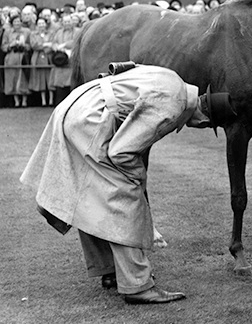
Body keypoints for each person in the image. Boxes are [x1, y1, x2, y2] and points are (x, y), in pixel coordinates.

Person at [20, 64, 235, 303]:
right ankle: (137, 285)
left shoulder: (174, 80)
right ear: (204, 120)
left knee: (94, 191)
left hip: (79, 103)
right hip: (88, 118)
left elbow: (122, 67)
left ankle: (110, 269)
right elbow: (121, 152)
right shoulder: (174, 104)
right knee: (126, 196)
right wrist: (138, 179)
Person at [2, 12, 31, 107]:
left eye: (19, 22)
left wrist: (23, 45)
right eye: (15, 22)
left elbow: (30, 45)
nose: (17, 24)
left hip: (23, 57)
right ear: (12, 23)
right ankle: (16, 101)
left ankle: (24, 101)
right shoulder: (7, 32)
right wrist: (11, 45)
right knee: (12, 78)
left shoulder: (27, 31)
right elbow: (3, 46)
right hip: (11, 57)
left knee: (23, 77)